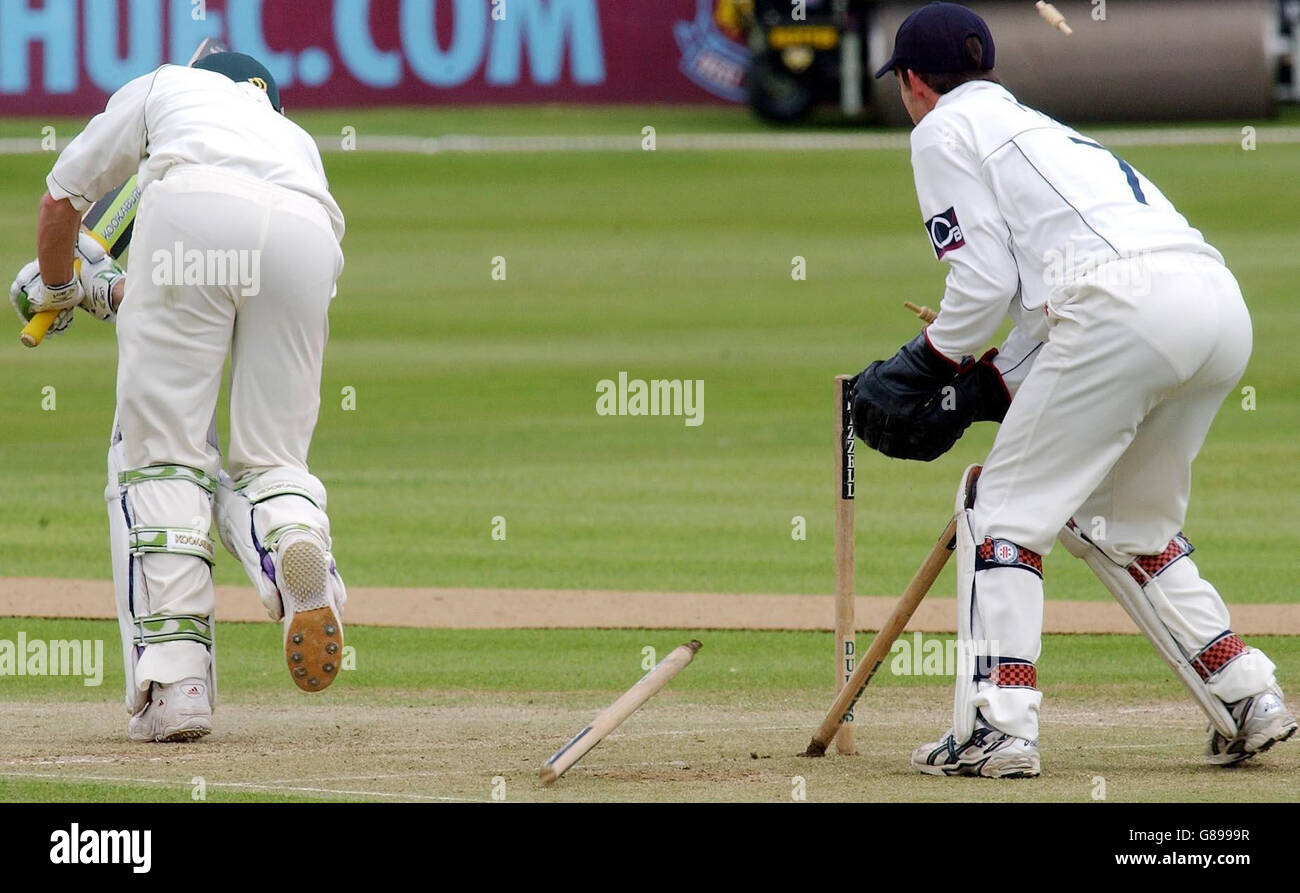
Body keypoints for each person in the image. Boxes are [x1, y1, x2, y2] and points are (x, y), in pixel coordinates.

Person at [853, 2, 1294, 777]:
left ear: (913, 82)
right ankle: (1248, 695)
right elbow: (1054, 299)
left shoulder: (943, 129)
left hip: (1121, 311)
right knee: (1126, 524)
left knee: (1003, 511)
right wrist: (980, 387)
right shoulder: (1042, 131)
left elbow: (987, 280)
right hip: (1215, 306)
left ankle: (999, 727)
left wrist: (926, 364)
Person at [11, 52, 348, 742]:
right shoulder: (294, 142)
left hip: (189, 216)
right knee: (272, 460)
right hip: (307, 238)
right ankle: (292, 541)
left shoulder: (167, 82)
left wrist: (54, 286)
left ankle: (178, 683)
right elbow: (221, 275)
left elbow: (61, 203)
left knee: (160, 454)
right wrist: (102, 287)